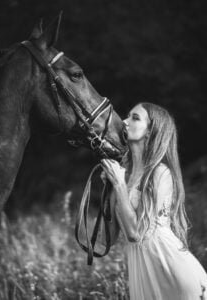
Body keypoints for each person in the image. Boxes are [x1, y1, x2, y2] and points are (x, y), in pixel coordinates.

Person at [100, 102, 207, 300]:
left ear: (151, 131)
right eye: (128, 116)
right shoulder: (125, 175)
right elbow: (110, 236)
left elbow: (135, 233)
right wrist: (111, 189)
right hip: (141, 269)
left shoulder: (161, 173)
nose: (124, 121)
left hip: (170, 267)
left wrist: (120, 185)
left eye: (135, 118)